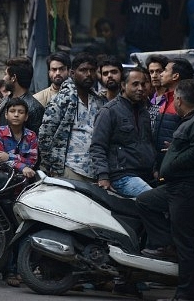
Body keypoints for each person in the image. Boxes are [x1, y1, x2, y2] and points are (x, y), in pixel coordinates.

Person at [136, 79, 194, 301]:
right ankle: (165, 243)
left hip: (188, 190)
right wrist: (175, 150)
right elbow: (191, 146)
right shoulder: (192, 121)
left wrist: (176, 160)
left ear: (179, 100)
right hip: (175, 187)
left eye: (175, 100)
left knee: (186, 243)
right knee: (144, 202)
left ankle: (187, 295)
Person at [39, 52, 107, 180]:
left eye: (92, 71)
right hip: (69, 167)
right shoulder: (61, 100)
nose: (88, 75)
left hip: (95, 169)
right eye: (83, 70)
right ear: (72, 73)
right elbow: (45, 134)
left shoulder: (99, 101)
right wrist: (49, 166)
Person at [90, 67, 155, 197]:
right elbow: (98, 146)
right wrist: (103, 176)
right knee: (153, 199)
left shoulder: (144, 112)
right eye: (135, 84)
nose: (141, 88)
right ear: (123, 86)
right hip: (121, 176)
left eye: (143, 84)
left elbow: (148, 143)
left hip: (145, 174)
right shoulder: (109, 111)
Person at [153, 57, 194, 171]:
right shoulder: (164, 101)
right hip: (160, 166)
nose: (161, 74)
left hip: (175, 167)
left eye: (165, 70)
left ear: (175, 76)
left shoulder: (185, 104)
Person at [0, 98, 38, 179]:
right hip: (1, 177)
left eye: (21, 112)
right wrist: (22, 166)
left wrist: (9, 157)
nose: (16, 115)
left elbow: (32, 161)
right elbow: (0, 159)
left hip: (23, 178)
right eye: (12, 111)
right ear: (6, 115)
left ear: (26, 117)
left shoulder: (31, 135)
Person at [0, 56, 45, 135]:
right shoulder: (4, 100)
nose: (3, 78)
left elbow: (35, 139)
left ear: (13, 78)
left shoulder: (34, 108)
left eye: (5, 74)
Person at [145, 54, 169, 128]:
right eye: (151, 72)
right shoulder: (150, 100)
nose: (154, 76)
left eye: (158, 71)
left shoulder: (172, 99)